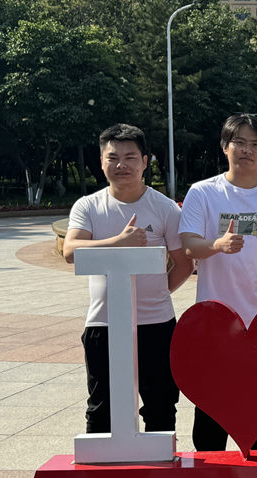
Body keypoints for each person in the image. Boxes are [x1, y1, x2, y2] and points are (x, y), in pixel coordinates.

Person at [179, 114, 257, 452]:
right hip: (216, 320)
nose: (247, 150)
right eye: (240, 143)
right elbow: (189, 245)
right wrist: (217, 245)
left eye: (256, 145)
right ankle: (211, 476)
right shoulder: (204, 192)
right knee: (211, 411)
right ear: (225, 147)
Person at [64, 123, 194, 434]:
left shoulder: (165, 209)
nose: (121, 165)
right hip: (104, 322)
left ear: (145, 162)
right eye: (112, 158)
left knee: (161, 406)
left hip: (156, 323)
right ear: (101, 162)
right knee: (101, 408)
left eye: (130, 157)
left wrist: (157, 293)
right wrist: (117, 242)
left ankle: (160, 465)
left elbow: (184, 264)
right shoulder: (88, 206)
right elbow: (70, 251)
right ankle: (102, 466)